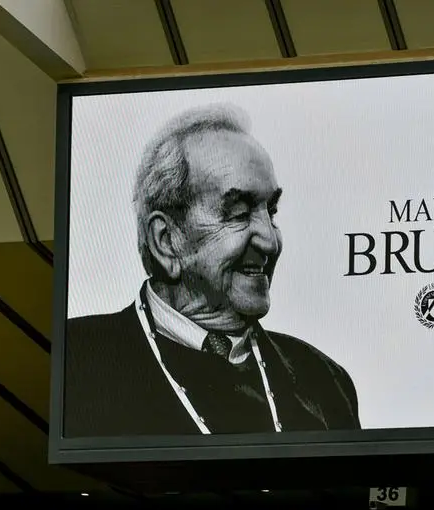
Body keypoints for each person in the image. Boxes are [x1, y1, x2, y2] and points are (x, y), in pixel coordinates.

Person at [64, 104, 360, 437]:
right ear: (166, 240)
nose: (270, 241)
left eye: (271, 212)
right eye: (238, 213)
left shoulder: (324, 382)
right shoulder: (72, 362)